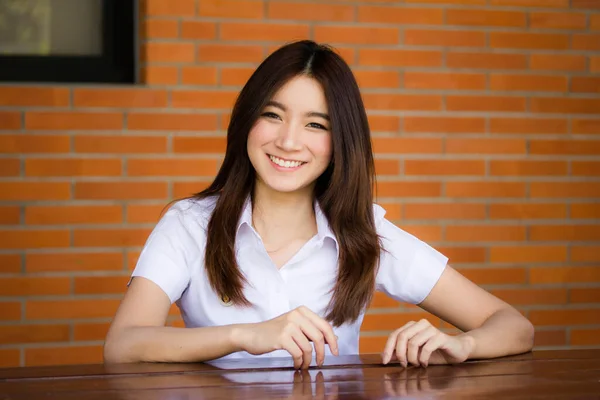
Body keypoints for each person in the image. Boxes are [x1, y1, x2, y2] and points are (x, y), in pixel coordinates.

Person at [103, 40, 534, 370]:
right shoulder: (189, 225)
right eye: (272, 115)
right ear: (246, 120)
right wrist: (243, 335)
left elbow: (513, 324)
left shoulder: (366, 233)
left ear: (339, 142)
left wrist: (464, 344)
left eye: (315, 124)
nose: (288, 141)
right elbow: (122, 346)